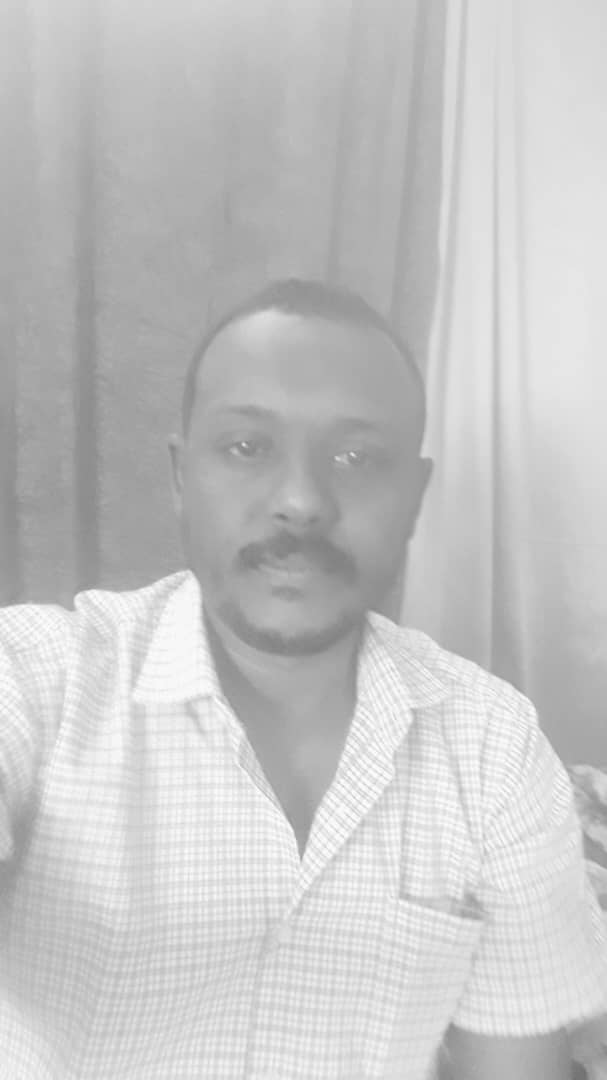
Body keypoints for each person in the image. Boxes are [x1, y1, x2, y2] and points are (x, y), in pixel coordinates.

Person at [0, 279, 605, 1080]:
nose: (300, 501)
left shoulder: (492, 748)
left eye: (358, 458)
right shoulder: (41, 678)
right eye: (247, 447)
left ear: (414, 497)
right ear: (181, 476)